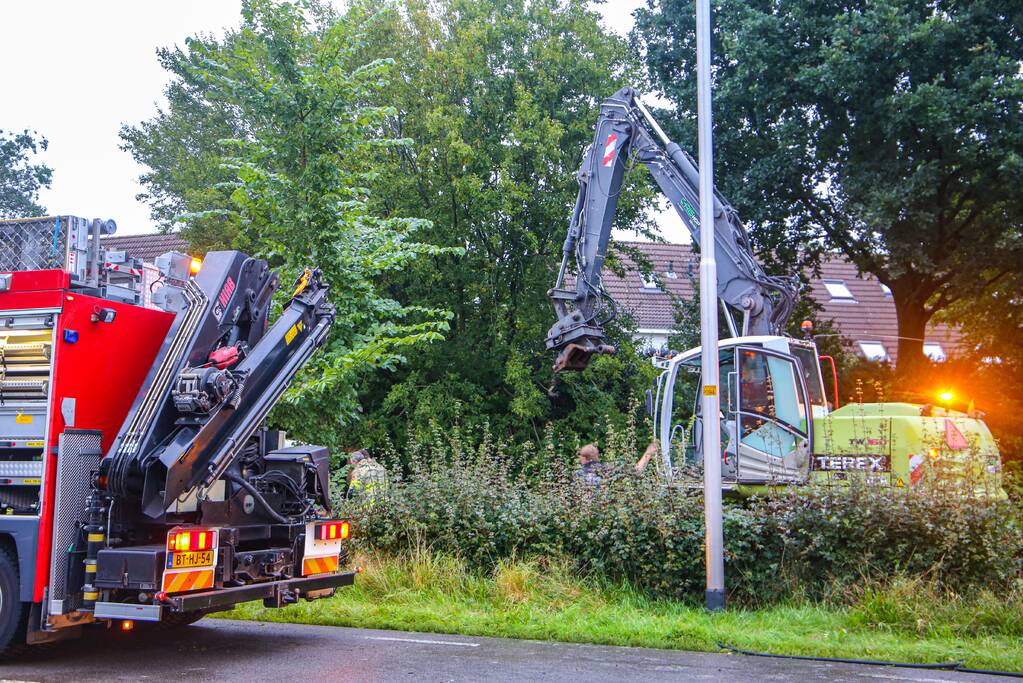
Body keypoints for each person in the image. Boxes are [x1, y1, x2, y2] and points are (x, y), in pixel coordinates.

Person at [574, 440, 661, 486]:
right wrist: (648, 453)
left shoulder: (578, 474)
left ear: (583, 458)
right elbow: (636, 471)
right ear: (597, 456)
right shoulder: (607, 468)